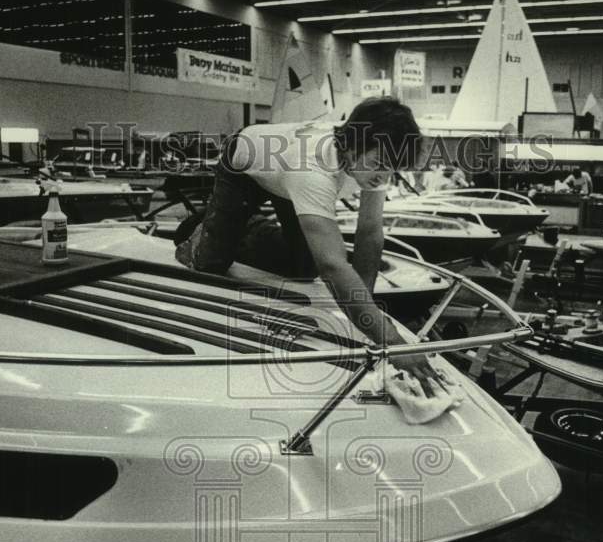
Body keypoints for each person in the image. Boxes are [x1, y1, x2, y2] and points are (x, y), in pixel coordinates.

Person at [175, 97, 446, 391]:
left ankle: (241, 226)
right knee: (210, 264)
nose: (384, 176)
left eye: (392, 169)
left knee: (304, 268)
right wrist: (390, 340)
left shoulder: (374, 154)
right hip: (244, 162)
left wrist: (365, 315)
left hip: (284, 171)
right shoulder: (313, 171)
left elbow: (369, 232)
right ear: (353, 145)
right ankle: (203, 228)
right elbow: (332, 266)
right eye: (380, 165)